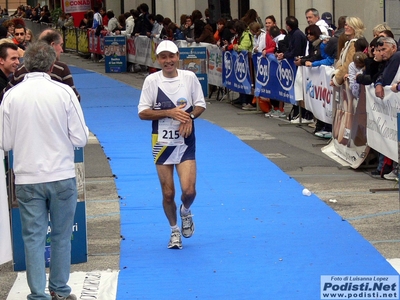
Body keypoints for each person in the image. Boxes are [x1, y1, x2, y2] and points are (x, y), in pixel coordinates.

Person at [0, 40, 88, 300]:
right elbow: (81, 138)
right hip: (61, 174)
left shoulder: (11, 95)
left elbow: (4, 143)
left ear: (24, 65)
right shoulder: (64, 93)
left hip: (27, 176)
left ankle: (38, 294)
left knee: (33, 238)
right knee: (61, 236)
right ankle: (59, 290)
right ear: (52, 65)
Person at [138, 40, 206, 249]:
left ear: (178, 56)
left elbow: (200, 105)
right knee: (168, 193)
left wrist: (189, 118)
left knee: (189, 191)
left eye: (171, 56)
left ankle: (185, 211)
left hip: (185, 140)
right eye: (163, 57)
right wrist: (168, 112)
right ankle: (174, 230)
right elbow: (142, 112)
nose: (168, 61)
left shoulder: (189, 77)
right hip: (161, 141)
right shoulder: (151, 80)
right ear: (158, 59)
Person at [2, 28, 81, 102]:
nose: (62, 50)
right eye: (61, 45)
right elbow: (74, 98)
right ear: (52, 45)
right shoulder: (61, 69)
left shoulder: (20, 69)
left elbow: (5, 96)